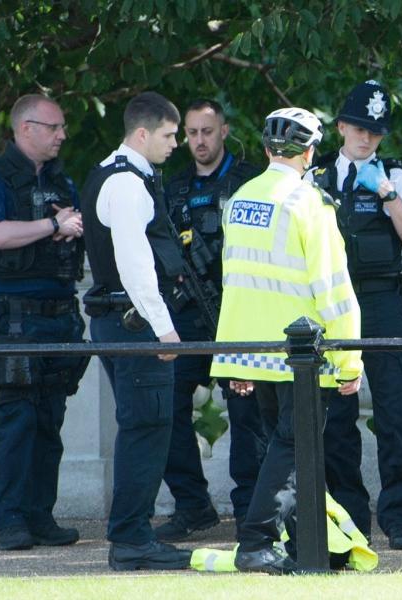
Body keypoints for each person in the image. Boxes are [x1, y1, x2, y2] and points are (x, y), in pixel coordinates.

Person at [209, 107, 363, 575]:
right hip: (302, 355)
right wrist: (350, 360)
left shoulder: (239, 199)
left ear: (265, 149)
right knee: (294, 450)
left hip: (254, 350)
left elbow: (234, 281)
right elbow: (333, 288)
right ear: (311, 152)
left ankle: (305, 546)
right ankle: (256, 541)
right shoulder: (308, 203)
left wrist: (237, 360)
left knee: (287, 449)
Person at [305, 80, 402, 549]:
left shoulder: (397, 175)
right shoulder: (314, 178)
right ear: (340, 126)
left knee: (395, 409)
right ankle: (350, 516)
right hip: (333, 304)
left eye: (375, 132)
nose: (366, 139)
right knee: (337, 414)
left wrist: (387, 194)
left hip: (382, 303)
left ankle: (398, 515)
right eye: (359, 129)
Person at [80, 91, 191, 570]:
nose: (176, 143)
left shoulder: (110, 173)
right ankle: (131, 539)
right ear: (142, 134)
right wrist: (163, 329)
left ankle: (133, 534)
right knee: (146, 426)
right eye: (169, 135)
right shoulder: (126, 184)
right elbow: (135, 264)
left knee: (142, 425)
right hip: (133, 319)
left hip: (119, 317)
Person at [0, 94, 87, 551]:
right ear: (26, 129)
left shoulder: (62, 180)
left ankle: (41, 516)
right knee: (16, 419)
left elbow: (76, 226)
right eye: (54, 127)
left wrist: (63, 225)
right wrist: (50, 225)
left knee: (49, 420)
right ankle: (12, 520)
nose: (62, 135)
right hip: (15, 316)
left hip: (59, 314)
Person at [156, 99, 266, 542]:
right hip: (187, 319)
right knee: (167, 409)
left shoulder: (250, 181)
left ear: (224, 130)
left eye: (207, 131)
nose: (199, 141)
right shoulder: (173, 186)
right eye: (192, 133)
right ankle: (193, 505)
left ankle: (250, 512)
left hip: (237, 316)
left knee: (246, 416)